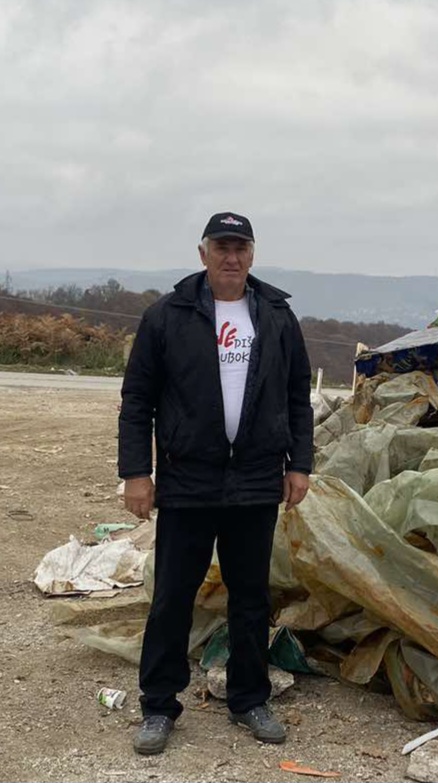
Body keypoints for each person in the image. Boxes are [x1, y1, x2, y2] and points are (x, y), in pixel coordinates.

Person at [118, 212, 314, 755]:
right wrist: (137, 472)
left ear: (252, 255)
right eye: (221, 247)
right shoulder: (168, 315)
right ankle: (159, 705)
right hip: (187, 477)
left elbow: (299, 394)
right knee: (172, 598)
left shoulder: (275, 316)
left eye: (241, 247)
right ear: (202, 253)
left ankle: (249, 699)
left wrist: (301, 464)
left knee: (250, 597)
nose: (231, 257)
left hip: (255, 478)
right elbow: (137, 400)